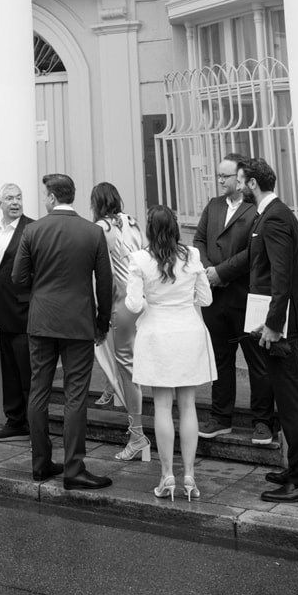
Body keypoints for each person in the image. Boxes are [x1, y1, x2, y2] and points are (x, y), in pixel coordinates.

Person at [12, 172, 114, 491]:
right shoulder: (93, 232)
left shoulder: (33, 230)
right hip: (79, 321)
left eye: (45, 195)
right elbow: (106, 283)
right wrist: (101, 323)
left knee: (39, 390)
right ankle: (74, 468)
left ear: (53, 197)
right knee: (75, 395)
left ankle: (40, 464)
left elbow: (17, 278)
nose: (44, 200)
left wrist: (38, 296)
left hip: (41, 320)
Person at [240, 157, 298, 504]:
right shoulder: (271, 215)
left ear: (253, 183)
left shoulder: (274, 219)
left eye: (242, 181)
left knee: (291, 404)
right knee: (287, 403)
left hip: (280, 328)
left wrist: (273, 325)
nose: (240, 187)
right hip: (275, 324)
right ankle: (294, 469)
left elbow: (280, 276)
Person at [125, 205, 215, 501]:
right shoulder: (192, 256)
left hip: (156, 334)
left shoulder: (140, 259)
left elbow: (134, 305)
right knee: (188, 406)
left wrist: (153, 302)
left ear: (149, 229)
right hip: (188, 332)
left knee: (163, 407)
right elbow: (205, 298)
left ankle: (167, 475)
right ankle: (189, 474)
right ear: (176, 227)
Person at [194, 152, 277, 444]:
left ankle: (264, 421)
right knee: (220, 359)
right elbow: (200, 240)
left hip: (244, 295)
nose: (219, 180)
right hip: (215, 297)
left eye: (225, 176)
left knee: (256, 360)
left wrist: (222, 272)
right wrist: (207, 270)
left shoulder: (255, 210)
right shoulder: (214, 206)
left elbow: (254, 252)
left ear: (241, 178)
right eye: (218, 175)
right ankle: (220, 417)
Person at [90, 182, 150, 463]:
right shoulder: (132, 221)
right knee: (130, 364)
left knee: (127, 368)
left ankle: (137, 435)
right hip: (141, 298)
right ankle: (112, 392)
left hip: (120, 300)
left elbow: (101, 269)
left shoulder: (103, 227)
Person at [0, 183, 32, 442]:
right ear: (0, 203)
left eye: (19, 198)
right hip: (2, 312)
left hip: (24, 312)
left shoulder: (31, 228)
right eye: (10, 198)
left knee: (27, 371)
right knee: (10, 370)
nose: (15, 202)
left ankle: (33, 424)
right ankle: (15, 421)